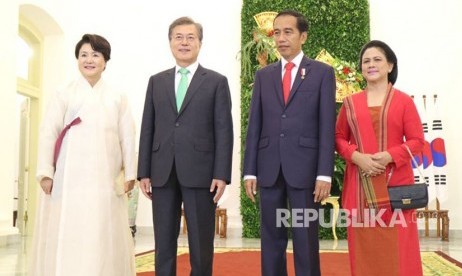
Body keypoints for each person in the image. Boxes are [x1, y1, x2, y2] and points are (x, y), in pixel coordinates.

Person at [30, 34, 137, 276]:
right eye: (84, 55)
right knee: (71, 230)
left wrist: (130, 173)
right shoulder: (64, 92)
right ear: (77, 59)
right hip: (69, 179)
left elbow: (127, 136)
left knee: (102, 231)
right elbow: (49, 132)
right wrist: (46, 172)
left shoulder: (117, 96)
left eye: (95, 55)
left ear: (105, 61)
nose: (89, 60)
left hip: (105, 180)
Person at [137, 16, 234, 276]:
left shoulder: (216, 81)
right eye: (178, 37)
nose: (184, 42)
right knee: (163, 241)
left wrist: (221, 174)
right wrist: (143, 171)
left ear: (200, 43)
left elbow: (224, 130)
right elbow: (148, 127)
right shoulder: (156, 81)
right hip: (162, 171)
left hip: (201, 173)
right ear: (170, 42)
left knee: (201, 242)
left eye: (191, 37)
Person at [243, 10, 336, 276]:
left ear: (303, 36)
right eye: (276, 33)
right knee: (271, 238)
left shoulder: (321, 73)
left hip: (306, 171)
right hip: (269, 168)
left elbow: (326, 126)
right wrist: (250, 170)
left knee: (305, 237)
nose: (281, 38)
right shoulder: (265, 76)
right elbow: (255, 126)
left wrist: (324, 174)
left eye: (288, 32)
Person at [335, 40, 424, 275]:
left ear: (390, 65)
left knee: (398, 250)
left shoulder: (404, 101)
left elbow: (417, 141)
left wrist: (389, 156)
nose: (371, 65)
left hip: (395, 188)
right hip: (360, 187)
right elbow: (338, 138)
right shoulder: (350, 103)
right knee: (364, 248)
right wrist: (356, 157)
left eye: (377, 60)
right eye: (366, 61)